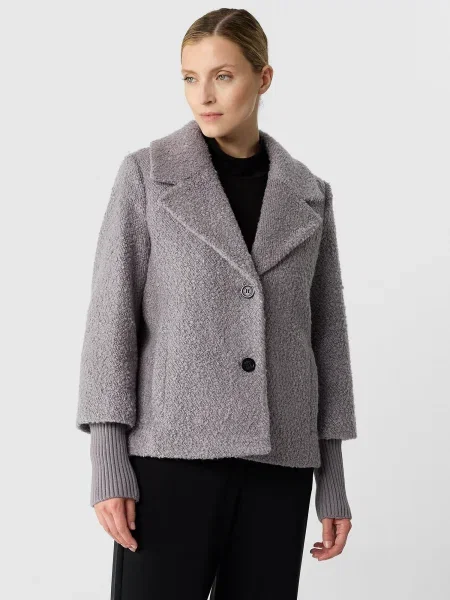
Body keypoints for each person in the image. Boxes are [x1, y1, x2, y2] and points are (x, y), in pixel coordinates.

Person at [76, 8, 358, 600]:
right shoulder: (147, 176)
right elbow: (110, 323)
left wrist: (331, 475)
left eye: (223, 76)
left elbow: (326, 337)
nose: (202, 95)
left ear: (263, 77)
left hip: (280, 463)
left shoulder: (309, 195)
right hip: (170, 456)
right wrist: (108, 461)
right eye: (189, 77)